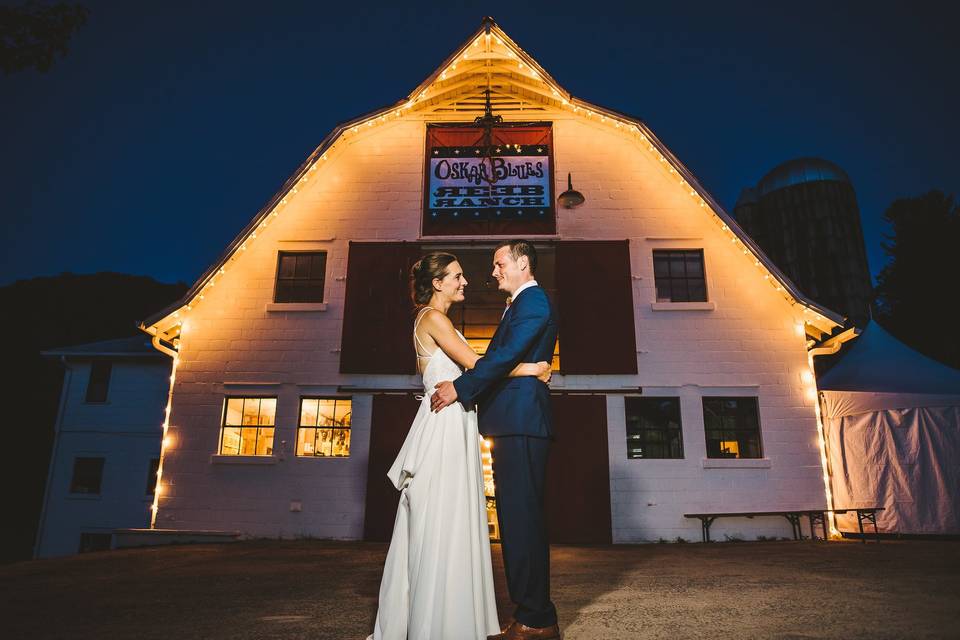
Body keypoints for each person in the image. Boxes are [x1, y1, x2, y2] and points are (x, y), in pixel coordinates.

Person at [368, 251, 552, 640]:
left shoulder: (441, 319)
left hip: (458, 419)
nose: (467, 281)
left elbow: (481, 364)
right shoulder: (433, 318)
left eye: (497, 265)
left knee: (448, 515)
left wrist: (503, 372)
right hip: (447, 421)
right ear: (437, 283)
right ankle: (439, 619)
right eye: (457, 276)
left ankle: (447, 614)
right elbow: (474, 363)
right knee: (441, 516)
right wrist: (533, 368)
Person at [431, 240, 560, 640]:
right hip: (513, 421)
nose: (494, 271)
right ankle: (533, 616)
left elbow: (502, 359)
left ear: (523, 263)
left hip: (521, 421)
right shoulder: (520, 306)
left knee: (522, 523)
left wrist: (460, 387)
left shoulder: (534, 303)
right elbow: (506, 360)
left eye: (499, 263)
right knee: (516, 520)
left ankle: (536, 621)